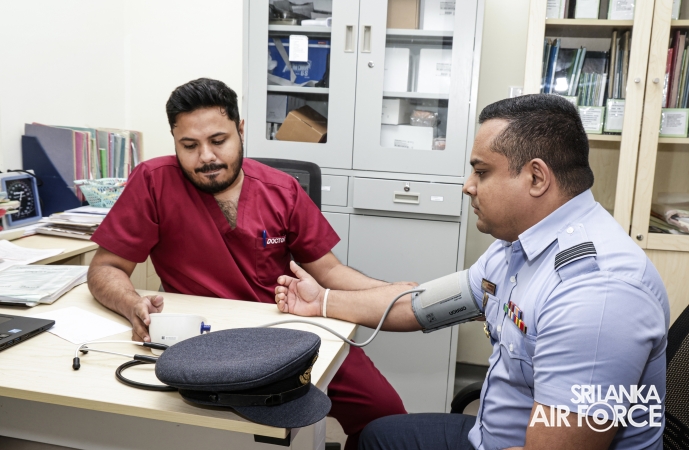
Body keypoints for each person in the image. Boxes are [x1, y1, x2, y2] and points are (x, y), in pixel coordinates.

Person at [274, 94, 670, 450]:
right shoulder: (517, 247)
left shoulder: (597, 294)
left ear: (536, 178)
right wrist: (322, 301)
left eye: (481, 172)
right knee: (377, 436)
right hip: (489, 434)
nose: (468, 186)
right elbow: (417, 306)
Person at [87, 77, 407, 450]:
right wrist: (131, 304)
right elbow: (105, 268)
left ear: (240, 130)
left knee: (385, 413)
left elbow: (331, 272)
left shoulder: (282, 190)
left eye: (218, 140)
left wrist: (394, 294)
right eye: (189, 145)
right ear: (174, 141)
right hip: (204, 343)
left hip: (290, 330)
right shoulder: (153, 182)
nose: (206, 157)